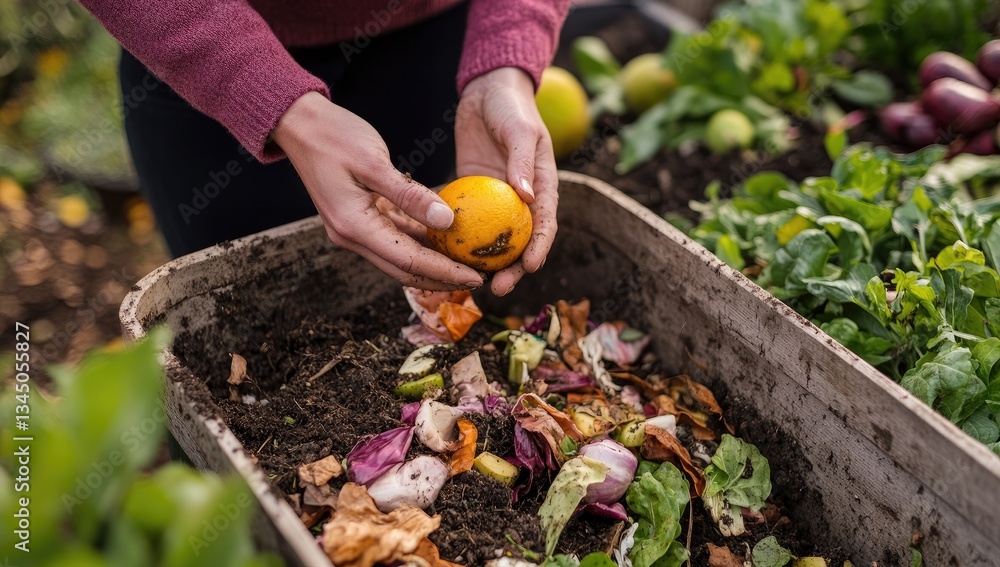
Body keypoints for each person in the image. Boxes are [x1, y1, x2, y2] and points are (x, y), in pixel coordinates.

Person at [78, 0, 570, 296]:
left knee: (409, 291)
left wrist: (505, 59)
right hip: (201, 46)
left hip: (439, 44)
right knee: (240, 326)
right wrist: (271, 98)